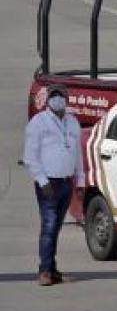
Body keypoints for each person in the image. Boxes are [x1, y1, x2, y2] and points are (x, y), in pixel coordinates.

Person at [23, 87, 84, 287]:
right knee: (48, 226)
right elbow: (30, 157)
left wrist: (80, 181)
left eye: (61, 97)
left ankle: (52, 269)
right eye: (54, 97)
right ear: (48, 100)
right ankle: (45, 271)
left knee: (56, 227)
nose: (58, 100)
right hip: (48, 183)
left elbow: (77, 155)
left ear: (66, 100)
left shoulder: (72, 122)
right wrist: (42, 181)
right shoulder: (38, 123)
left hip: (66, 182)